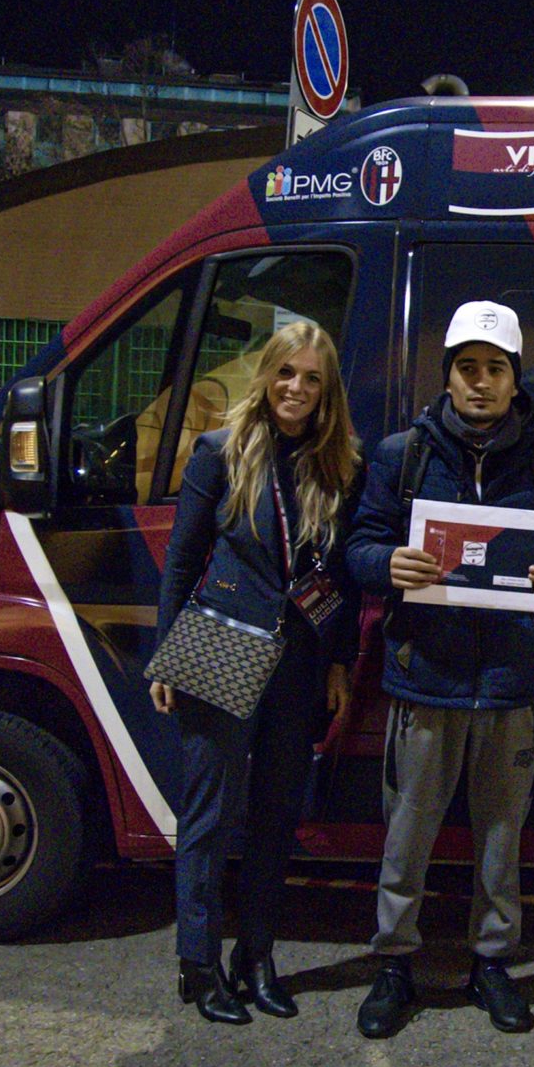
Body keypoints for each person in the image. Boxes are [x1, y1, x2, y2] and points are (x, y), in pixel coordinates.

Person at [345, 300, 534, 1039]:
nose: (481, 381)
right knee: (407, 832)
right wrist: (386, 563)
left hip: (514, 681)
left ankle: (491, 963)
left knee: (501, 835)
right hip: (428, 675)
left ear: (515, 379)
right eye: (467, 367)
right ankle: (395, 963)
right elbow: (360, 544)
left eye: (495, 369)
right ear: (448, 375)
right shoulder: (402, 456)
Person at [152, 319, 362, 1025]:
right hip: (221, 644)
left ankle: (257, 957)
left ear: (327, 391)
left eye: (312, 378)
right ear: (266, 374)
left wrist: (339, 661)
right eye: (286, 372)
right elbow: (182, 560)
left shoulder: (338, 464)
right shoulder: (219, 451)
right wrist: (167, 655)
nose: (296, 388)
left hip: (301, 660)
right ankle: (198, 961)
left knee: (277, 817)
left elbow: (340, 578)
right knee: (209, 817)